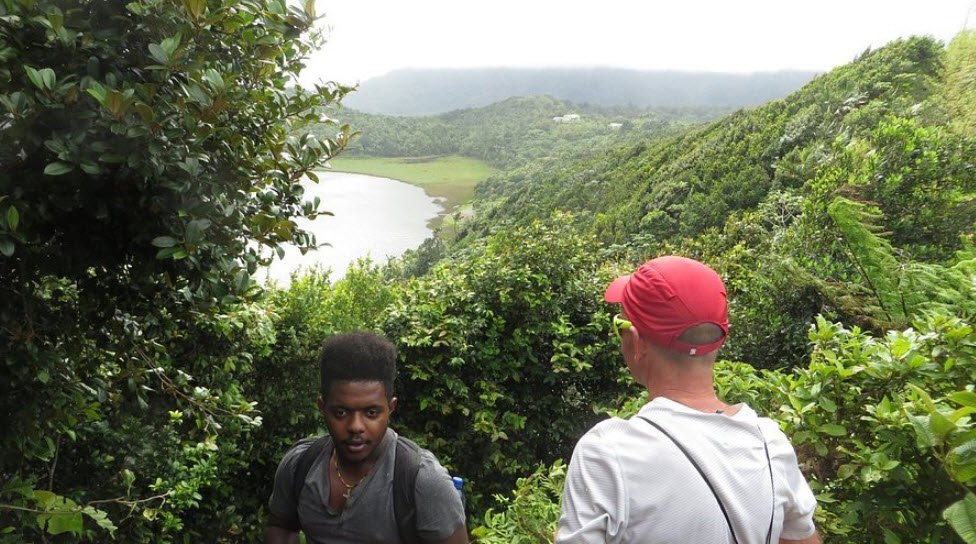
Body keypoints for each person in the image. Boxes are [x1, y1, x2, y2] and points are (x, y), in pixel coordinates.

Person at [556, 256, 819, 544]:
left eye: (620, 325)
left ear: (635, 341)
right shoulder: (769, 442)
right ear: (720, 339)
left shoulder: (607, 453)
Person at [265, 331, 468, 544]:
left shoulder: (423, 480)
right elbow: (281, 528)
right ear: (322, 408)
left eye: (371, 413)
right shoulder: (300, 464)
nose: (356, 427)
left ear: (390, 408)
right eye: (341, 412)